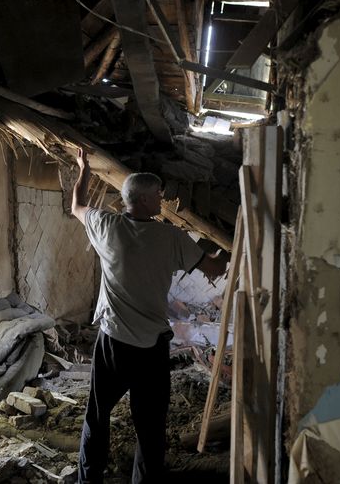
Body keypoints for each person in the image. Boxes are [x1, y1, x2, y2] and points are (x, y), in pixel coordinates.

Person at [71, 147, 228, 484]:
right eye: (157, 194)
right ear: (142, 200)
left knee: (97, 417)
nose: (162, 198)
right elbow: (214, 268)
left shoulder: (105, 226)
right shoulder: (171, 238)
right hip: (149, 350)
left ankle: (88, 479)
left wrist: (83, 170)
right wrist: (228, 249)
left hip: (112, 343)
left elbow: (76, 206)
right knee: (151, 428)